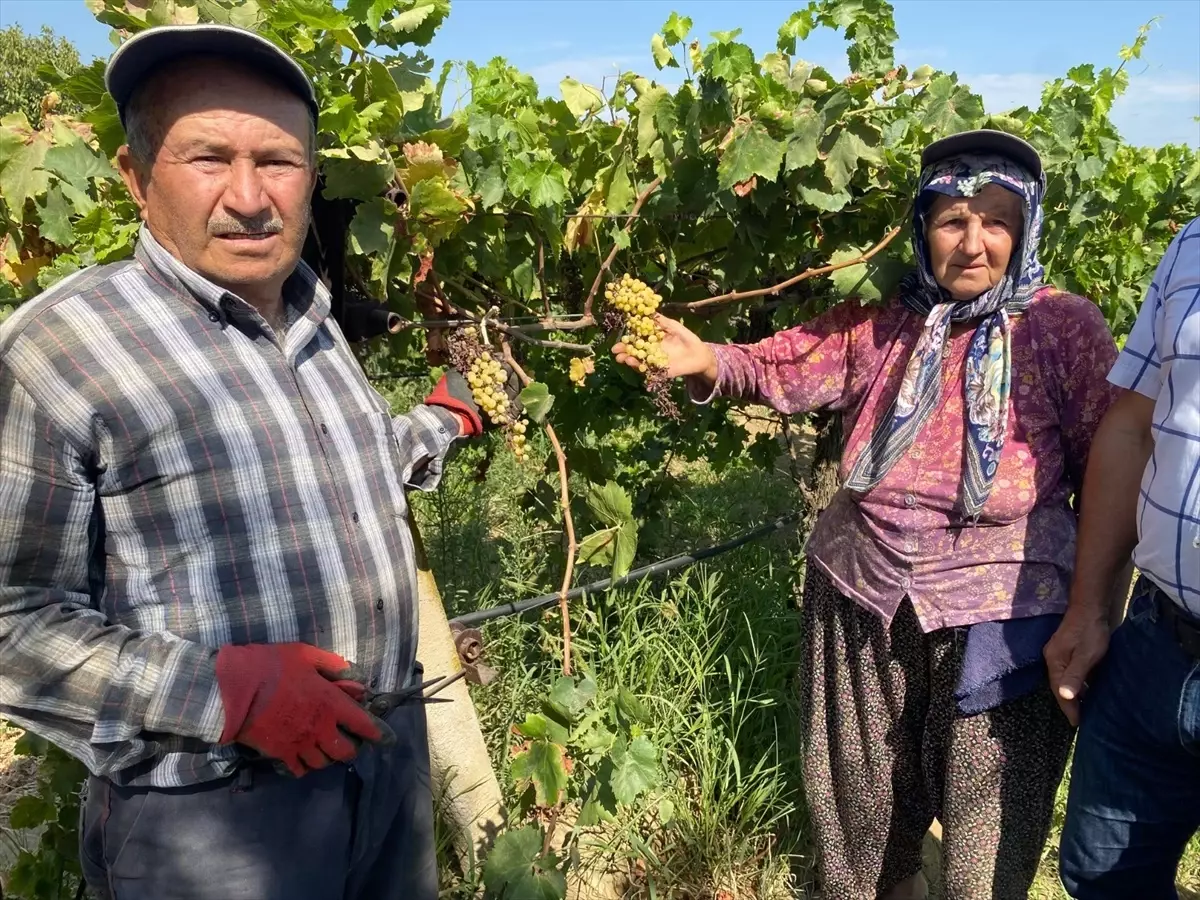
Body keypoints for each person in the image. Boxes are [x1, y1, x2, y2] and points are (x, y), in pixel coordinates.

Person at [0, 24, 499, 900]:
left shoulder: (312, 316)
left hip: (387, 769)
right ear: (134, 176)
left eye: (277, 161)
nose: (248, 196)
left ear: (310, 178)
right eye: (206, 158)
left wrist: (448, 421)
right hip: (215, 822)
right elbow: (10, 621)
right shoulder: (56, 353)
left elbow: (352, 465)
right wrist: (221, 695)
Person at [615, 130, 1122, 899]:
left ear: (1025, 227)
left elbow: (1109, 473)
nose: (973, 242)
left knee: (988, 844)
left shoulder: (1063, 328)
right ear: (923, 228)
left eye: (995, 219)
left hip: (1003, 615)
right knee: (858, 818)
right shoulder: (881, 319)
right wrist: (708, 359)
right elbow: (779, 362)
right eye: (952, 219)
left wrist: (1092, 611)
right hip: (861, 592)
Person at [1049, 214, 1200, 899]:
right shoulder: (1191, 243)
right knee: (1104, 881)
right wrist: (1088, 609)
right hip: (1154, 644)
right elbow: (1132, 427)